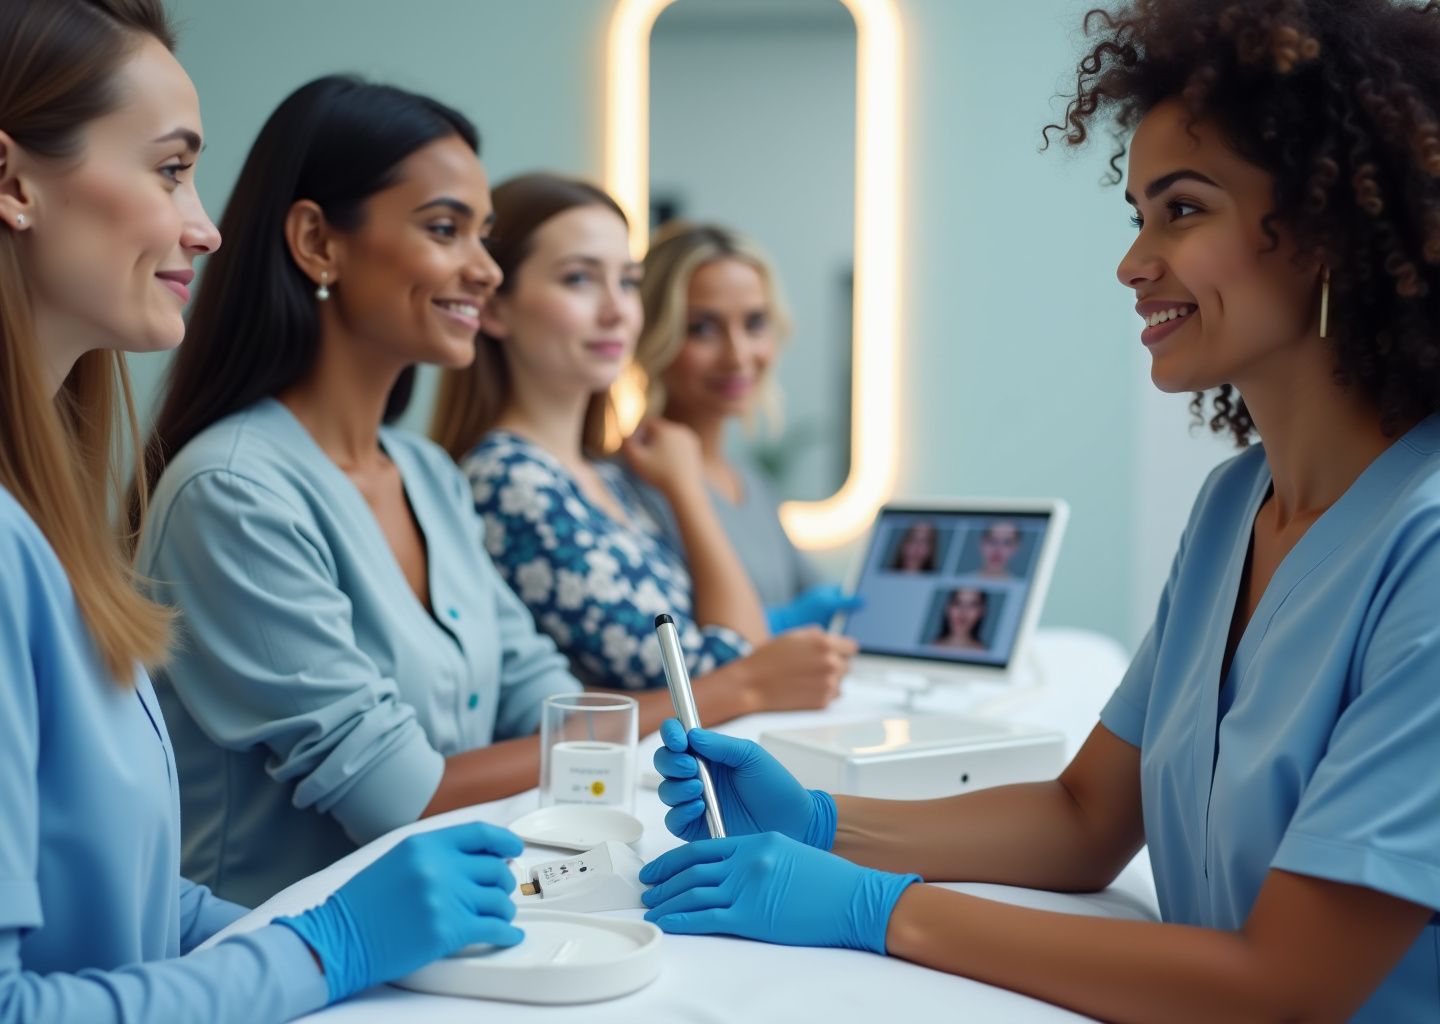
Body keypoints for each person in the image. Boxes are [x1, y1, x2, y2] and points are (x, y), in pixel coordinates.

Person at [642, 1, 1440, 1019]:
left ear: (1330, 229)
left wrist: (877, 910)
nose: (1133, 261)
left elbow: (1282, 987)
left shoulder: (1426, 548)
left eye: (1182, 210)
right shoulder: (1234, 507)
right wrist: (819, 822)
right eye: (1137, 215)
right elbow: (1085, 816)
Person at [0, 4, 526, 1019]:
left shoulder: (49, 529)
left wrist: (311, 936)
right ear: (15, 185)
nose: (204, 224)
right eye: (169, 170)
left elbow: (139, 908)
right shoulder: (221, 487)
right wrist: (326, 945)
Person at [432, 173, 856, 693]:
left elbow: (733, 662)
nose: (617, 311)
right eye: (579, 279)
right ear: (494, 306)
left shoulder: (593, 481)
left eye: (627, 282)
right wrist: (686, 491)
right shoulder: (510, 479)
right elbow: (727, 667)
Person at [632, 221, 860, 630]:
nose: (737, 356)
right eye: (702, 328)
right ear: (653, 333)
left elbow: (822, 602)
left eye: (754, 323)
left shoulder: (752, 484)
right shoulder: (626, 486)